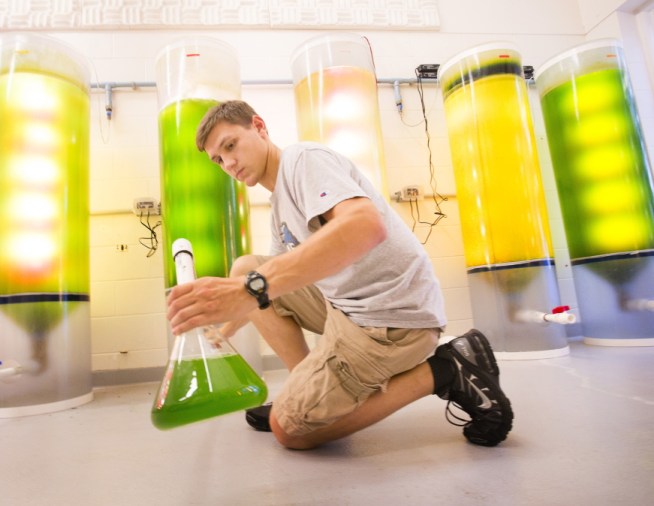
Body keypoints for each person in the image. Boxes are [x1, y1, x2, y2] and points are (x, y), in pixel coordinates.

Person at [166, 100, 513, 450]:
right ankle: (307, 387)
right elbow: (275, 282)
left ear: (259, 127)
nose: (229, 163)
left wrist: (249, 290)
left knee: (290, 432)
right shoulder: (279, 205)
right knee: (246, 268)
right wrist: (225, 328)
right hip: (345, 306)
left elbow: (365, 225)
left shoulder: (304, 160)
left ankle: (447, 369)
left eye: (230, 146)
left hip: (390, 320)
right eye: (218, 160)